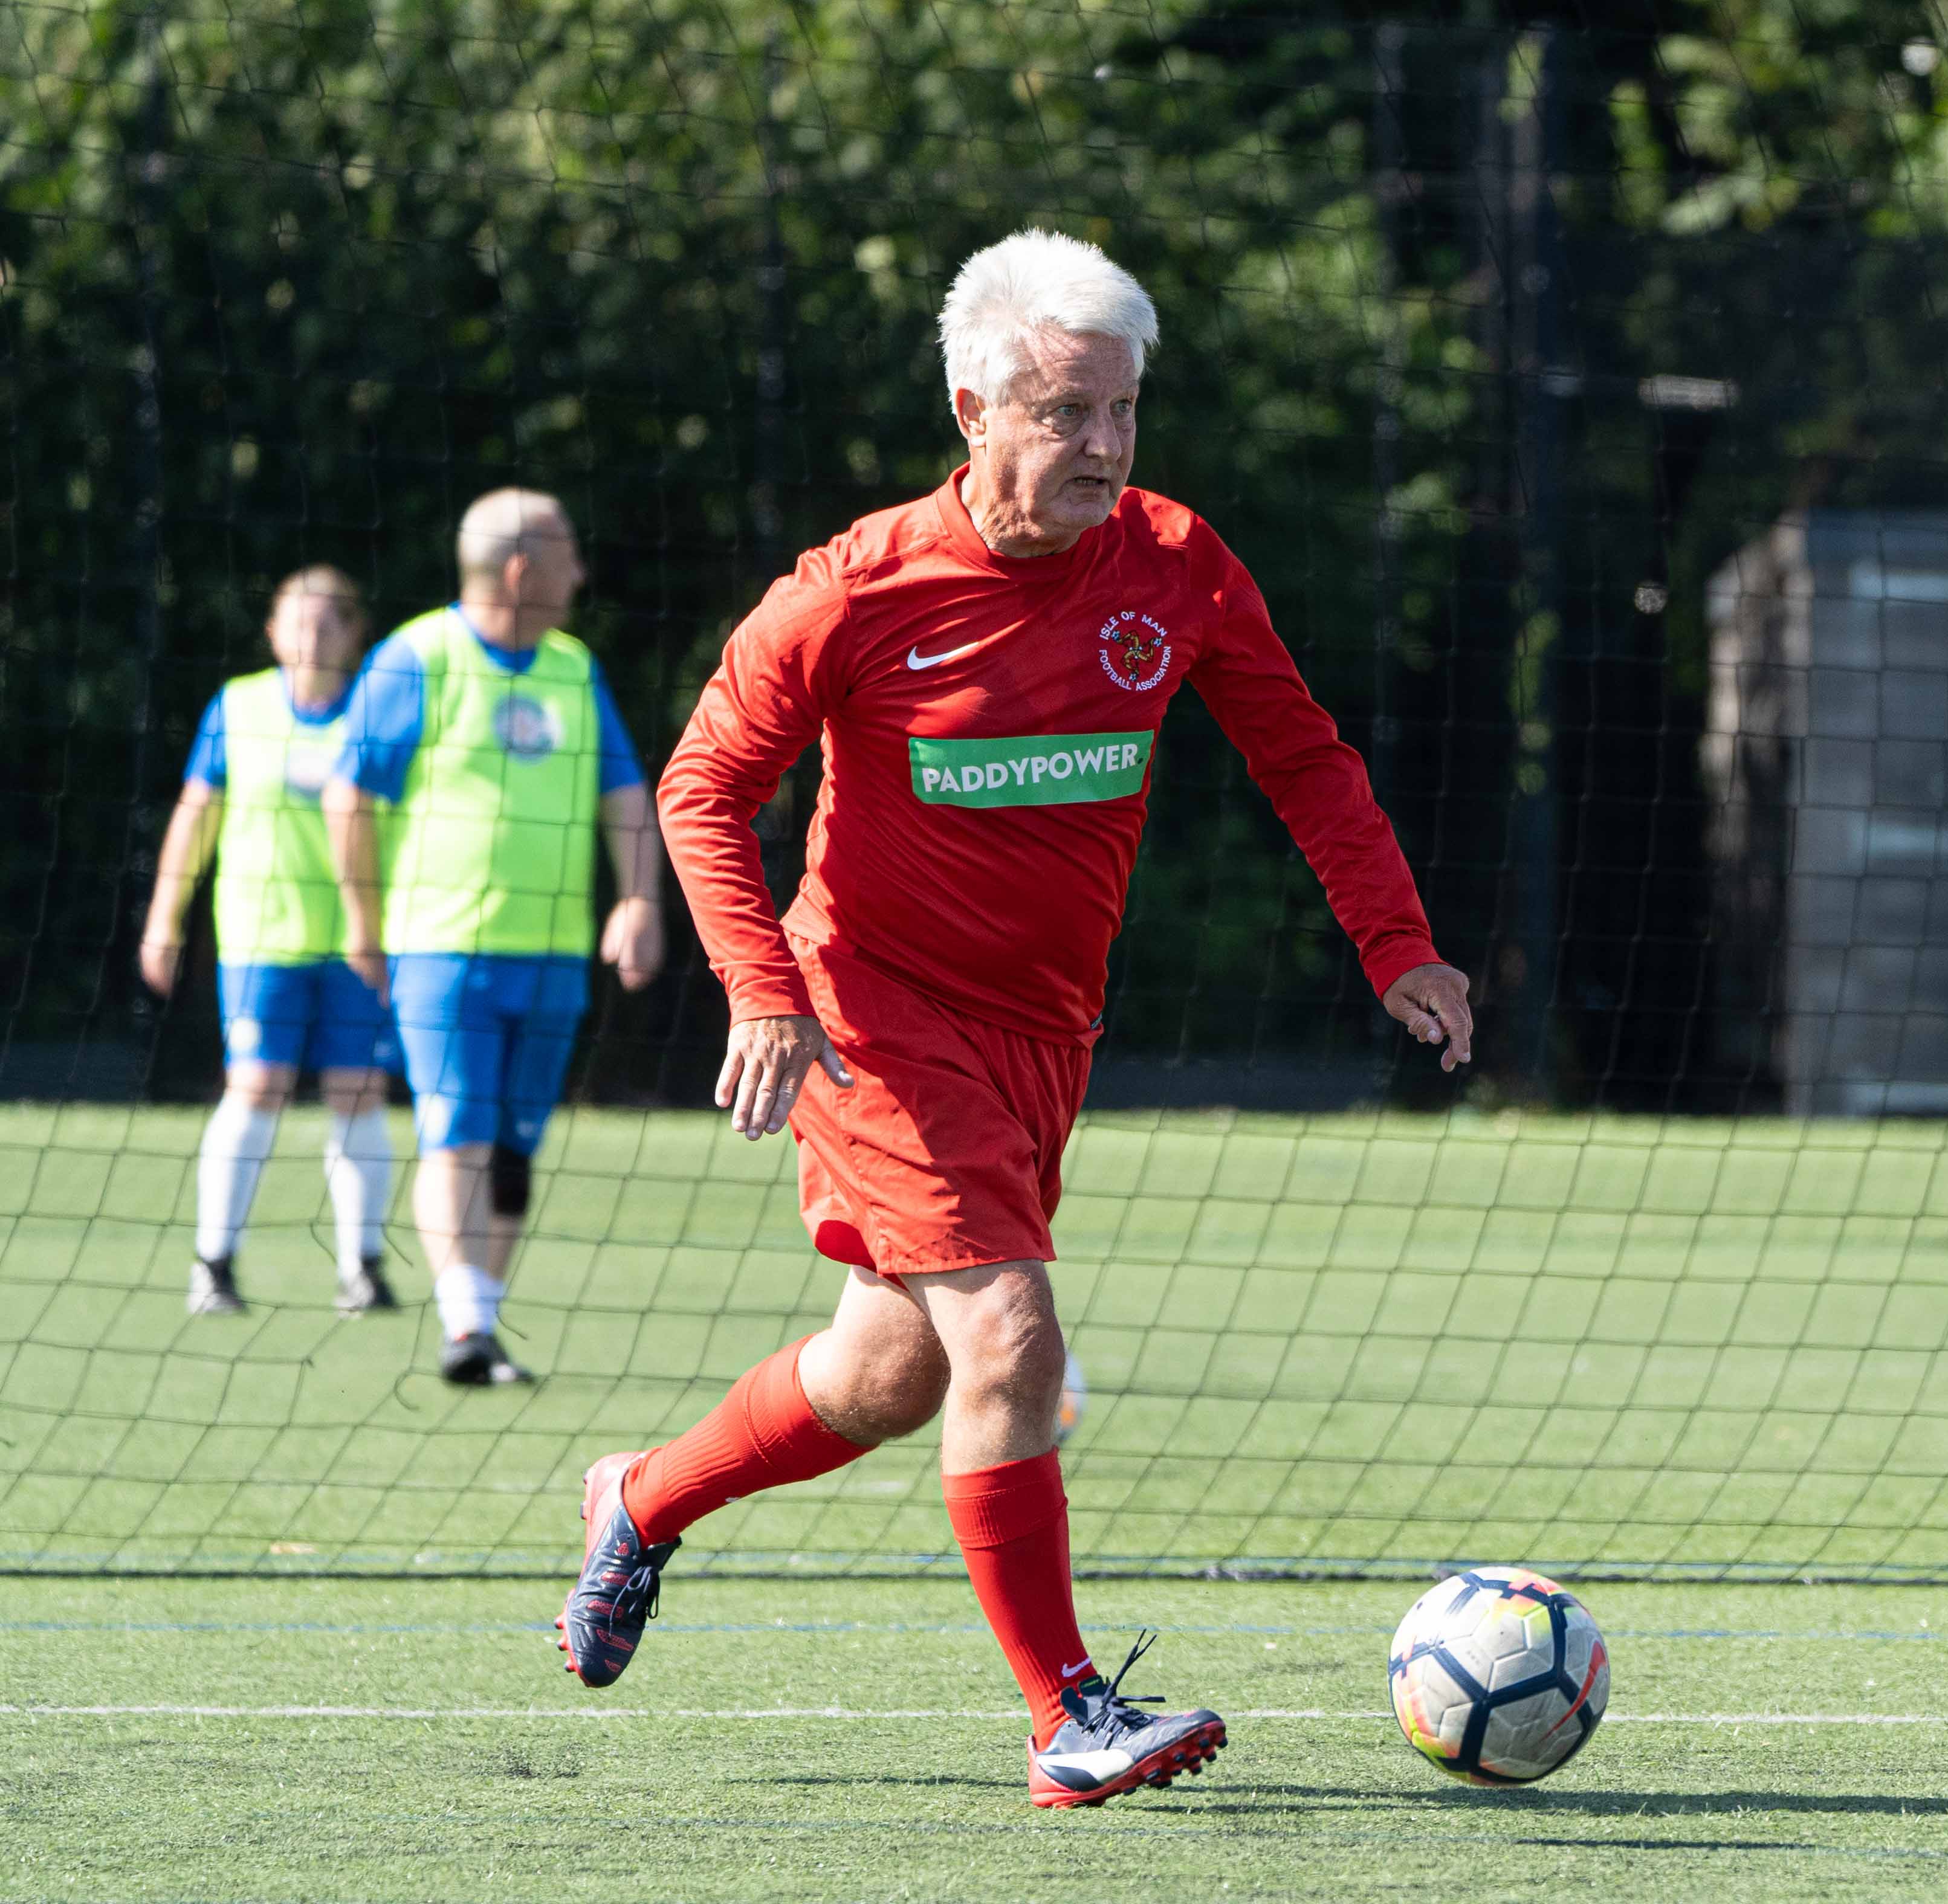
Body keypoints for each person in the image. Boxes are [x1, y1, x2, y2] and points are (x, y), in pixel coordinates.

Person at [561, 230, 1477, 1810]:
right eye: (1066, 413)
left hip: (1045, 1036)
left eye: (1122, 411)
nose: (1104, 446)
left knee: (888, 1375)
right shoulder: (856, 589)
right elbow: (701, 788)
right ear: (974, 408)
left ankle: (640, 1499)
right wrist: (762, 990)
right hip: (869, 1016)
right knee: (1011, 1336)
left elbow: (1302, 755)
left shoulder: (1176, 562)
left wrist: (1397, 943)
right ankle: (1067, 1716)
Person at [325, 489, 665, 1386]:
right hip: (443, 952)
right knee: (458, 1132)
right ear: (522, 571)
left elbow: (625, 793)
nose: (581, 573)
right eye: (568, 554)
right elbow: (349, 792)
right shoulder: (417, 658)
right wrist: (362, 921)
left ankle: (480, 1320)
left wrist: (638, 901)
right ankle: (465, 1327)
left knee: (515, 1147)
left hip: (553, 955)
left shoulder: (574, 668)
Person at [142, 567, 400, 1315]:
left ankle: (362, 1269)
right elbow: (196, 814)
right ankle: (214, 1264)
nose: (311, 636)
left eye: (327, 622)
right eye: (296, 621)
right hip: (262, 939)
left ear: (354, 634)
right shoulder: (238, 706)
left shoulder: (378, 711)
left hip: (362, 942)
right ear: (272, 632)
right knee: (256, 1085)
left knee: (359, 1090)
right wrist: (164, 917)